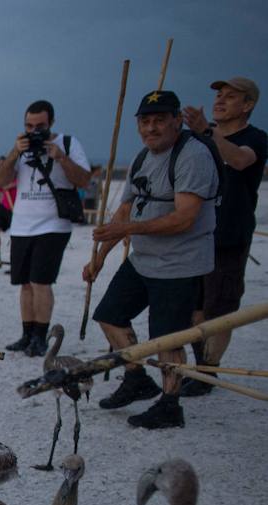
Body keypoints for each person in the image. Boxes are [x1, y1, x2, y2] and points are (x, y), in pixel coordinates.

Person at [85, 89, 219, 430]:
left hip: (180, 264)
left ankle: (170, 404)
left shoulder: (193, 156)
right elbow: (124, 210)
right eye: (145, 121)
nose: (151, 128)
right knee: (109, 316)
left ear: (177, 121)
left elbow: (185, 218)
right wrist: (100, 257)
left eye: (160, 120)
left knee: (167, 337)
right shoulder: (142, 157)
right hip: (144, 259)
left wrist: (130, 228)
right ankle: (137, 378)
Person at [180, 76, 265, 394]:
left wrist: (206, 131)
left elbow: (239, 160)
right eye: (218, 95)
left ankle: (209, 371)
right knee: (193, 305)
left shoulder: (255, 138)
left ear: (248, 104)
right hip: (194, 233)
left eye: (230, 96)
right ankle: (200, 368)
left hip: (230, 235)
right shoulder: (200, 137)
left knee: (220, 308)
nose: (220, 100)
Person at [0, 99, 92, 356]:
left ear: (52, 123)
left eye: (40, 126)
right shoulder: (21, 147)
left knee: (41, 282)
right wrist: (14, 153)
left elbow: (84, 180)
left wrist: (61, 157)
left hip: (53, 225)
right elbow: (0, 182)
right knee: (25, 284)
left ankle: (40, 336)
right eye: (29, 126)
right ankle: (27, 334)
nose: (34, 131)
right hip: (21, 225)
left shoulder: (68, 143)